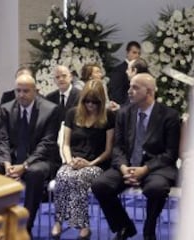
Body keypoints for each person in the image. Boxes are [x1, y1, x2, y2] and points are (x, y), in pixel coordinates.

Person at [91, 73, 181, 240]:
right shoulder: (124, 113)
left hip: (156, 168)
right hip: (127, 165)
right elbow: (118, 148)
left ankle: (149, 230)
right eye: (130, 86)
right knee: (99, 185)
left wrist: (145, 169)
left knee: (156, 189)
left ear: (149, 92)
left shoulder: (169, 116)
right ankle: (124, 226)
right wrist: (124, 168)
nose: (129, 91)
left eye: (135, 87)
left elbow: (170, 154)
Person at [51, 80, 115, 239]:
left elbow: (108, 150)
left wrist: (90, 164)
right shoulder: (72, 113)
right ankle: (58, 221)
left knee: (78, 179)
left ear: (101, 101)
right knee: (63, 175)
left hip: (97, 164)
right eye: (87, 101)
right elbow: (65, 144)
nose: (91, 105)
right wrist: (69, 161)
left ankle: (82, 226)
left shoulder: (109, 116)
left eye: (95, 102)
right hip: (73, 161)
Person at [0, 74, 60, 238]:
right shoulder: (6, 108)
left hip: (41, 160)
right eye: (18, 91)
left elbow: (47, 144)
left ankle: (25, 226)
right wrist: (6, 163)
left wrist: (24, 165)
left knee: (34, 173)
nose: (21, 95)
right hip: (12, 159)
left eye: (25, 91)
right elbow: (2, 140)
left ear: (35, 91)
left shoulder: (50, 110)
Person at [108, 41, 141, 105]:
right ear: (127, 53)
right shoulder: (119, 70)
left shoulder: (139, 70)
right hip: (123, 107)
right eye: (134, 52)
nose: (137, 55)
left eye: (139, 53)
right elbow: (115, 92)